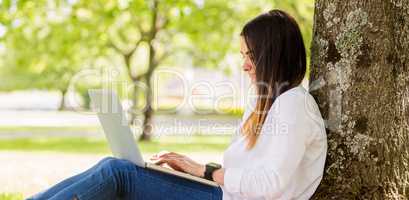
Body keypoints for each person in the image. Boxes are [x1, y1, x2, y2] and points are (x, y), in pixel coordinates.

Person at [28, 9, 327, 200]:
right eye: (242, 56)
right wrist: (191, 169)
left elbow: (270, 184)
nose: (245, 66)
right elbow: (248, 174)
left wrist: (204, 172)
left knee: (117, 174)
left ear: (273, 56)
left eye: (251, 56)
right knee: (113, 168)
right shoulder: (265, 103)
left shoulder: (294, 105)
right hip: (221, 194)